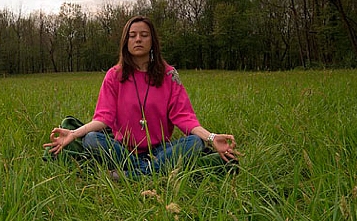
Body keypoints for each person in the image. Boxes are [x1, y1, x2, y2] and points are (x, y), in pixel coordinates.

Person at [44, 15, 237, 178]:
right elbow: (103, 118)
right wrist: (74, 134)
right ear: (126, 42)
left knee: (194, 143)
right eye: (132, 36)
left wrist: (211, 138)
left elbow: (184, 117)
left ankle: (131, 175)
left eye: (144, 35)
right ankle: (153, 172)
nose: (138, 39)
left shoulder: (169, 75)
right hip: (123, 150)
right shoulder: (114, 75)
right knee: (92, 139)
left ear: (152, 42)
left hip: (161, 150)